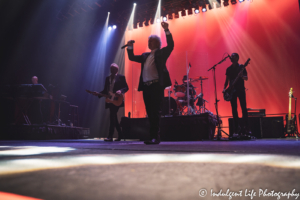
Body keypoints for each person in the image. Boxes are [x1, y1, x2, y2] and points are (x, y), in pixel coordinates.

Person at [126, 22, 174, 144]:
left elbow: (171, 46)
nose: (149, 43)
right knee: (149, 112)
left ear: (157, 43)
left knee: (156, 112)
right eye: (149, 41)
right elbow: (131, 57)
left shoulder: (161, 53)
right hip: (147, 87)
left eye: (151, 41)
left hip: (156, 86)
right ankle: (152, 136)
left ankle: (155, 137)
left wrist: (167, 30)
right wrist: (130, 46)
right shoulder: (145, 55)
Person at [91, 63, 129, 141]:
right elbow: (105, 90)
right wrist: (98, 94)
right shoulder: (107, 78)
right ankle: (121, 134)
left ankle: (110, 136)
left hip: (117, 99)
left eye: (113, 69)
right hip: (110, 100)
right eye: (111, 69)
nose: (111, 70)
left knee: (112, 116)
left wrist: (120, 91)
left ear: (117, 70)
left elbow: (126, 87)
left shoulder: (121, 77)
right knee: (114, 117)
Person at [223, 53, 251, 139]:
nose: (231, 57)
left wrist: (241, 76)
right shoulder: (228, 69)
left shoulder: (242, 67)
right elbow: (227, 81)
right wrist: (224, 89)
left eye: (233, 56)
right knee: (234, 109)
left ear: (237, 58)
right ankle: (236, 129)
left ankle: (246, 128)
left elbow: (246, 78)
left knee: (243, 108)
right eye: (231, 56)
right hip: (232, 91)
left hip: (241, 90)